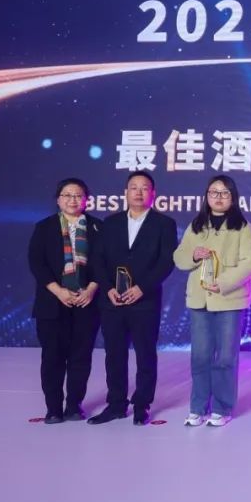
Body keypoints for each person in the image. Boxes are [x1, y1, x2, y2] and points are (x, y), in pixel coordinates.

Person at [88, 170, 178, 426]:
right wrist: (108, 288)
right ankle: (116, 404)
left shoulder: (164, 224)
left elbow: (166, 262)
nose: (139, 192)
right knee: (114, 354)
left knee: (145, 354)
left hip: (145, 301)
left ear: (153, 194)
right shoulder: (110, 223)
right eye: (133, 187)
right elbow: (98, 260)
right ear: (126, 193)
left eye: (144, 188)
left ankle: (142, 405)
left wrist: (142, 288)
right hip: (113, 301)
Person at [172, 175, 251, 427]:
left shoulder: (243, 227)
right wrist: (193, 255)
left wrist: (223, 282)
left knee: (225, 358)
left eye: (224, 193)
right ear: (206, 196)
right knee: (200, 356)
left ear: (233, 197)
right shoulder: (197, 225)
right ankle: (198, 407)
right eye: (213, 192)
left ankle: (222, 407)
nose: (218, 197)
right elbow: (179, 257)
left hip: (229, 299)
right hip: (200, 300)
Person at [26, 178, 102, 423]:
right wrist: (58, 291)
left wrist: (91, 289)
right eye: (67, 195)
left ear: (86, 200)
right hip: (53, 303)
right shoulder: (44, 227)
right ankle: (53, 408)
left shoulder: (98, 228)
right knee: (53, 357)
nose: (72, 200)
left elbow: (105, 263)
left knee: (81, 358)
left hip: (86, 302)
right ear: (58, 200)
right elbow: (37, 264)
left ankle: (74, 406)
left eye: (78, 195)